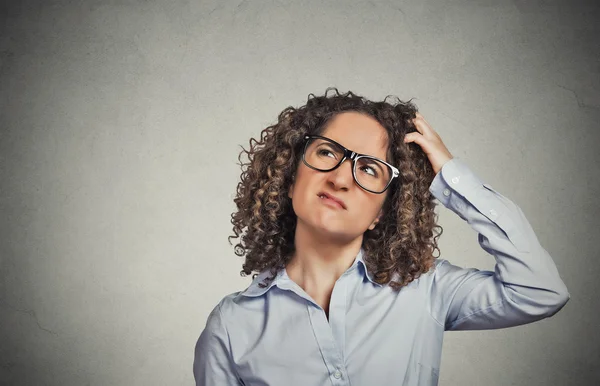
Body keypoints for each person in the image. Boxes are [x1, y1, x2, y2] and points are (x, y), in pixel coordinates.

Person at [192, 88, 570, 386]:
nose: (340, 178)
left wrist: (451, 177)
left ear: (382, 213)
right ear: (290, 180)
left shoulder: (427, 289)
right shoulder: (230, 327)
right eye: (326, 153)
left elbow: (540, 291)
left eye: (369, 169)